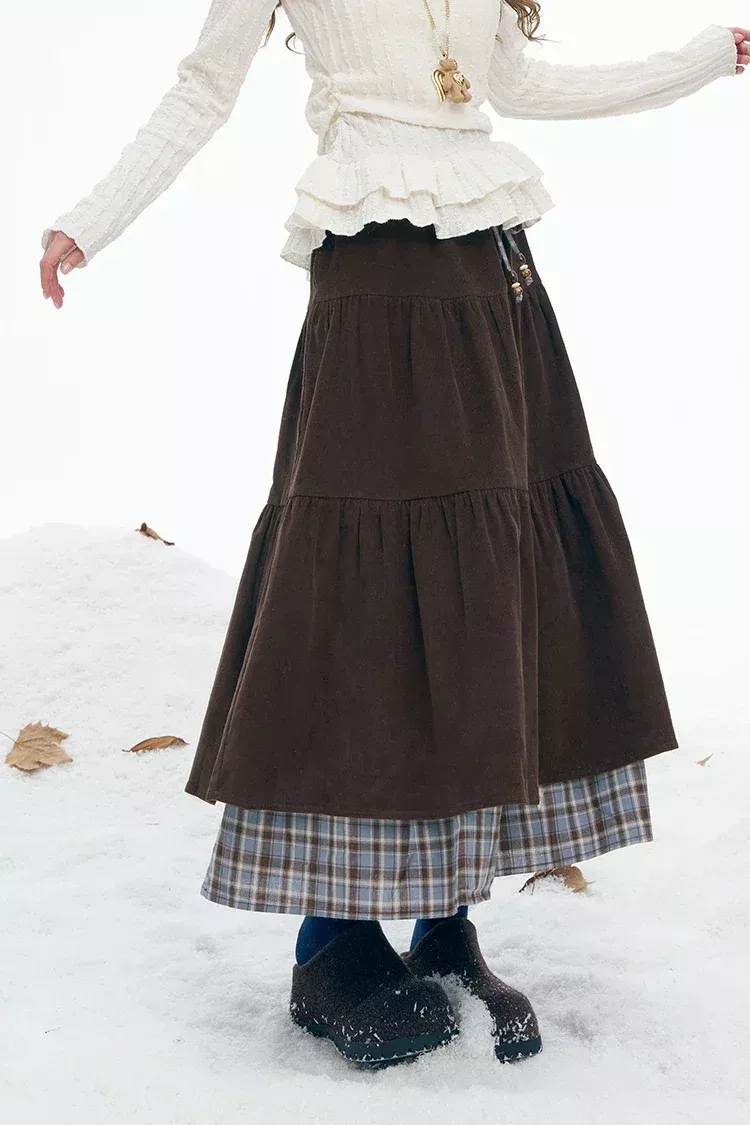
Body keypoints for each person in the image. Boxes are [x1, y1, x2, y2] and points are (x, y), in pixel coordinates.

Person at [40, 1, 748, 1069]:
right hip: (376, 274)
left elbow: (521, 87)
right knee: (371, 594)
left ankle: (445, 925)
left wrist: (706, 58)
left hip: (495, 276)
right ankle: (332, 947)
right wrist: (90, 221)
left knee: (485, 587)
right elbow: (202, 88)